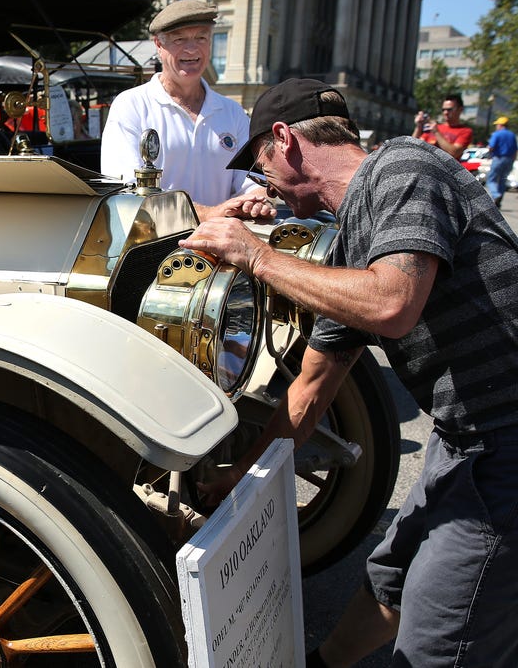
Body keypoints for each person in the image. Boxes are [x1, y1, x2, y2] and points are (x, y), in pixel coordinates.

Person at [181, 78, 518, 667]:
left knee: (442, 642)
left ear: (284, 140)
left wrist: (254, 255)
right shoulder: (350, 245)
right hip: (465, 434)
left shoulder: (404, 166)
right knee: (395, 573)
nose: (263, 183)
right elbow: (310, 391)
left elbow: (392, 303)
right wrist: (239, 475)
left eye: (260, 162)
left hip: (505, 439)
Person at [99, 0, 273, 222]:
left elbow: (252, 182)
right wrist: (209, 214)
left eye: (201, 38)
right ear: (158, 46)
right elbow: (126, 194)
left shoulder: (233, 113)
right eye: (179, 39)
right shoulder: (131, 106)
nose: (192, 49)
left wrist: (256, 201)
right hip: (154, 248)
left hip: (220, 247)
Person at [412, 93, 473, 159]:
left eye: (449, 110)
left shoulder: (465, 131)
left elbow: (453, 153)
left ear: (460, 109)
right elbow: (412, 146)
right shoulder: (434, 127)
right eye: (443, 110)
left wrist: (436, 132)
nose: (445, 113)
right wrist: (419, 126)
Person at [486, 115, 516, 207]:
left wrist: (489, 155)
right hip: (509, 159)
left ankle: (496, 195)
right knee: (502, 180)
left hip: (498, 158)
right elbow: (515, 149)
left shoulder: (497, 134)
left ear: (500, 125)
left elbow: (491, 146)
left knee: (491, 179)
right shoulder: (512, 135)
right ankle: (499, 200)